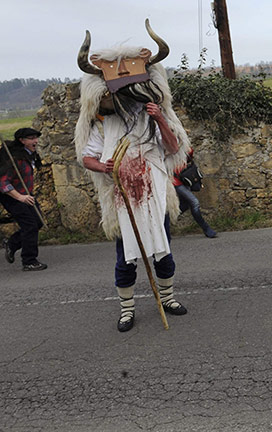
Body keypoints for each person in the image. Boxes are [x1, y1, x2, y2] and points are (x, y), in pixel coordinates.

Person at [74, 21, 191, 332]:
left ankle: (167, 297)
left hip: (155, 194)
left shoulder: (151, 115)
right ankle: (127, 309)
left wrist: (160, 119)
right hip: (121, 197)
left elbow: (173, 147)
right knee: (125, 259)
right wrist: (106, 167)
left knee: (163, 252)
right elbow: (86, 157)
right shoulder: (104, 125)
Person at [0, 127, 47, 271]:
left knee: (38, 222)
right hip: (12, 196)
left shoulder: (29, 154)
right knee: (30, 225)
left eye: (36, 137)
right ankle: (29, 261)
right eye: (31, 138)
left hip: (26, 194)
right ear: (22, 140)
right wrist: (20, 197)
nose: (36, 141)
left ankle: (12, 244)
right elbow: (2, 183)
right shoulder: (15, 158)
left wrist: (26, 195)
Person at [173, 149, 217, 238]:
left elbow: (190, 152)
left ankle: (165, 220)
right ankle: (206, 228)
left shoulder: (182, 143)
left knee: (185, 204)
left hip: (186, 177)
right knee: (194, 202)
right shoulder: (167, 146)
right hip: (176, 180)